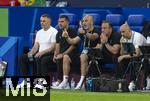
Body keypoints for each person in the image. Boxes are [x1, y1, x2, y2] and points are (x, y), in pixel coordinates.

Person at [52, 15, 100, 89]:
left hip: (94, 54)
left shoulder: (96, 30)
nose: (84, 22)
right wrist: (67, 37)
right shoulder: (82, 32)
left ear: (92, 22)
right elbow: (73, 41)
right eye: (83, 21)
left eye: (86, 21)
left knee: (83, 56)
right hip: (84, 54)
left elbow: (93, 37)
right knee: (66, 57)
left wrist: (85, 33)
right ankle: (65, 82)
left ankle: (81, 82)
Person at [18, 14, 58, 87]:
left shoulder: (54, 31)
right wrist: (30, 53)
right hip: (39, 53)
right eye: (41, 21)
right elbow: (36, 46)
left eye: (44, 21)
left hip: (49, 54)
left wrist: (41, 52)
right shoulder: (39, 32)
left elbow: (53, 47)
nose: (42, 23)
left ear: (49, 21)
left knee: (39, 58)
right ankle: (26, 81)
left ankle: (41, 82)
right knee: (22, 58)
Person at [117, 23, 146, 91]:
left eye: (123, 32)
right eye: (121, 32)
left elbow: (137, 54)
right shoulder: (125, 38)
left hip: (144, 56)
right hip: (133, 56)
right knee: (119, 59)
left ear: (129, 31)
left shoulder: (137, 37)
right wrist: (121, 44)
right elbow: (122, 53)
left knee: (133, 59)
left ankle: (132, 82)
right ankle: (122, 81)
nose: (122, 34)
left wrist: (123, 56)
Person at [51, 15, 78, 89]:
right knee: (57, 58)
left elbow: (73, 46)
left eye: (62, 22)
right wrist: (55, 55)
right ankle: (59, 81)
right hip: (62, 54)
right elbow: (57, 46)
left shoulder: (73, 31)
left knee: (61, 57)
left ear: (67, 22)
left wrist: (63, 54)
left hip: (73, 54)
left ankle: (61, 81)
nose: (60, 23)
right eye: (59, 22)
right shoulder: (58, 33)